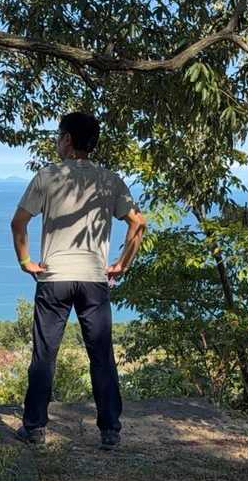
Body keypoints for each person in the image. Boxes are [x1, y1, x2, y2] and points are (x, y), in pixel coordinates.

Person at [9, 112, 146, 449]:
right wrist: (122, 263)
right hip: (93, 279)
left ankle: (34, 427)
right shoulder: (110, 180)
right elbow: (138, 223)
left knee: (44, 354)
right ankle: (110, 430)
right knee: (101, 355)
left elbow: (18, 222)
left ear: (68, 139)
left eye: (59, 135)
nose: (57, 141)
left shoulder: (47, 176)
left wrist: (26, 261)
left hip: (54, 278)